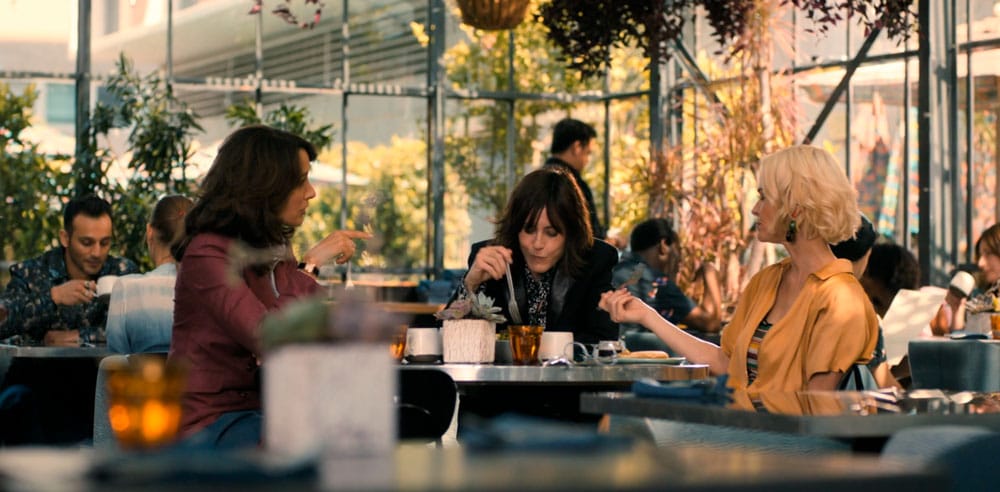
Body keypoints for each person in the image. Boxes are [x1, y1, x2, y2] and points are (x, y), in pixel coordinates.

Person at [600, 145, 878, 392]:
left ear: (796, 208)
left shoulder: (841, 298)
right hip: (741, 424)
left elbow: (815, 408)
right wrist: (647, 315)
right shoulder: (768, 280)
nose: (755, 209)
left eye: (764, 197)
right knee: (620, 418)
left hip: (786, 440)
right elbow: (723, 361)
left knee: (629, 423)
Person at [168, 125, 370, 449]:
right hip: (208, 425)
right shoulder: (208, 252)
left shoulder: (265, 247)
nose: (311, 193)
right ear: (265, 186)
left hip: (259, 415)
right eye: (300, 180)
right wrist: (312, 264)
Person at [458, 166, 618, 345]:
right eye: (529, 230)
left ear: (571, 233)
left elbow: (604, 341)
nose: (538, 244)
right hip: (501, 373)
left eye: (551, 233)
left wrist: (538, 348)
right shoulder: (490, 258)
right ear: (515, 228)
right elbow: (450, 339)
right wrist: (470, 284)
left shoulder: (597, 259)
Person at [0, 194, 139, 346]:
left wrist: (81, 337)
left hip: (103, 369)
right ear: (65, 238)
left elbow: (139, 330)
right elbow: (4, 322)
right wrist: (53, 297)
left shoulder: (122, 273)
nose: (97, 253)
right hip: (35, 369)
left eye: (105, 243)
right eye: (87, 243)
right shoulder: (30, 273)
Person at [105, 195, 194, 354]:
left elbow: (116, 360)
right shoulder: (208, 289)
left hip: (142, 378)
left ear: (149, 232)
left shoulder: (125, 289)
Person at [829, 215, 902, 389]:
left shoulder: (802, 292)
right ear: (866, 255)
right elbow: (884, 383)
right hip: (840, 411)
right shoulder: (859, 311)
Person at [613, 218, 721, 334]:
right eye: (678, 251)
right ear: (663, 245)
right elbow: (711, 324)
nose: (679, 261)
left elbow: (633, 285)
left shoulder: (629, 270)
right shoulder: (655, 281)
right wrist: (709, 271)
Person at [543, 118, 607, 241]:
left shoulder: (536, 179)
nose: (587, 160)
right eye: (587, 153)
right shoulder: (573, 184)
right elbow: (590, 234)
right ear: (577, 147)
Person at [931, 223, 1000, 335]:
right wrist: (957, 310)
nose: (980, 263)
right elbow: (966, 345)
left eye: (988, 253)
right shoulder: (988, 299)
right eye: (980, 255)